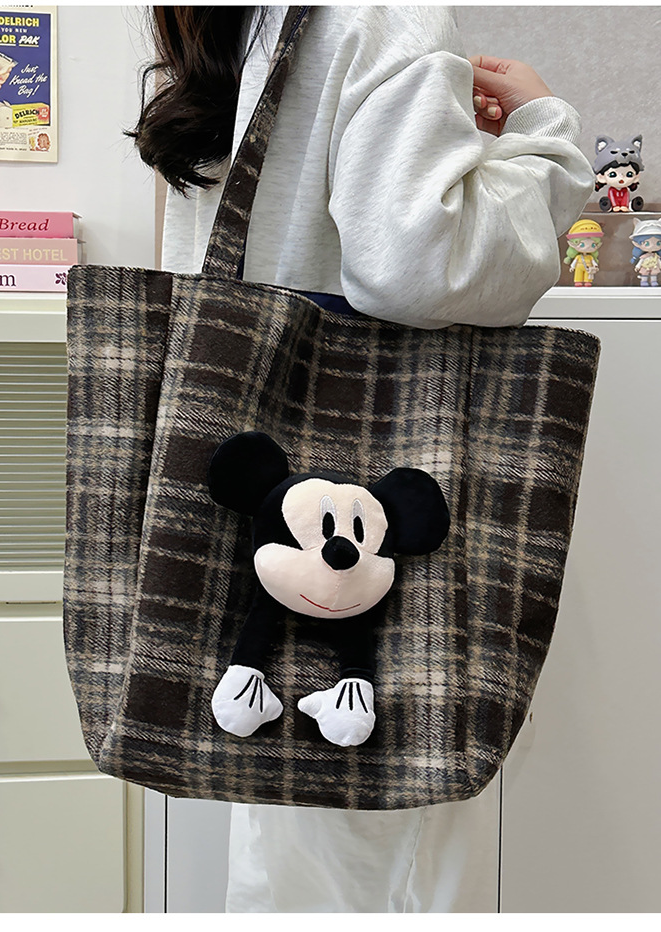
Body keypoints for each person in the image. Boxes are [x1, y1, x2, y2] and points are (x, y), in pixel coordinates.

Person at [128, 5, 594, 913]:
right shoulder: (383, 14)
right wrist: (545, 136)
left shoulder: (259, 20)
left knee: (293, 857)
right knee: (389, 856)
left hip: (264, 512)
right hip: (378, 521)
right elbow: (423, 268)